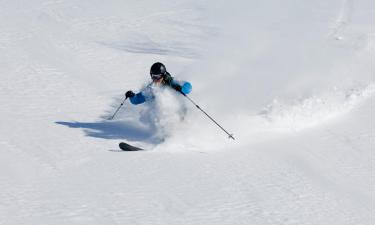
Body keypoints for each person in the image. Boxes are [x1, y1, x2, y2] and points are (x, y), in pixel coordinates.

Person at [125, 62, 192, 105]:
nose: (155, 79)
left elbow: (189, 87)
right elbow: (137, 100)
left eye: (158, 77)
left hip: (181, 113)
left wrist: (181, 88)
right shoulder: (151, 88)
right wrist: (132, 96)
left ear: (163, 75)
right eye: (153, 76)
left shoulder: (173, 82)